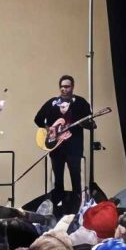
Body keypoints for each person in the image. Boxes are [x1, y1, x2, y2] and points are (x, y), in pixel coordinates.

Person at [34, 75, 90, 211]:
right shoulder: (52, 103)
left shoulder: (80, 103)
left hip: (74, 148)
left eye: (67, 86)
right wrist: (49, 129)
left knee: (76, 179)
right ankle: (57, 208)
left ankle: (76, 208)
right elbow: (38, 119)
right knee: (57, 180)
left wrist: (85, 124)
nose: (64, 89)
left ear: (73, 87)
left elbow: (89, 121)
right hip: (56, 148)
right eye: (62, 86)